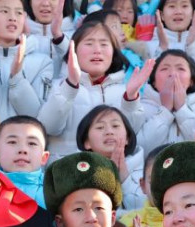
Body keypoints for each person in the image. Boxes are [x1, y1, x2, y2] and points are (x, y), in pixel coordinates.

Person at [37, 20, 151, 163]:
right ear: (74, 50)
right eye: (89, 43)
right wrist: (70, 86)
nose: (97, 50)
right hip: (68, 169)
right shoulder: (59, 85)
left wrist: (131, 99)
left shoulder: (124, 91)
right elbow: (48, 127)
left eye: (104, 44)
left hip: (112, 170)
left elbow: (132, 133)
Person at [0, 115, 50, 207]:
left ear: (44, 157)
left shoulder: (54, 192)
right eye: (12, 142)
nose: (22, 149)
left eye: (32, 143)